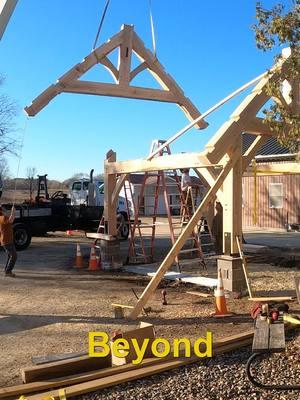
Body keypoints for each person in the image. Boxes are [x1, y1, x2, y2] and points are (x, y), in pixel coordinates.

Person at [0, 205, 17, 277]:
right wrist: (13, 211)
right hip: (6, 240)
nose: (5, 211)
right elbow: (11, 219)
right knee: (14, 256)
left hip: (8, 240)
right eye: (3, 210)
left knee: (10, 255)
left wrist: (12, 212)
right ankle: (8, 271)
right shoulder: (2, 218)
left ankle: (7, 270)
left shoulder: (4, 217)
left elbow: (10, 218)